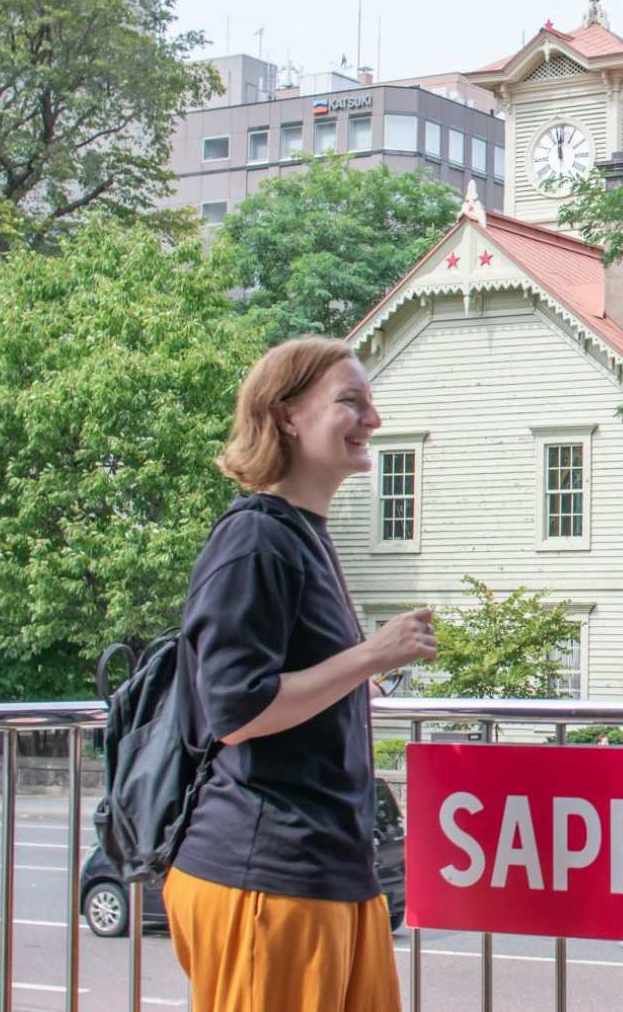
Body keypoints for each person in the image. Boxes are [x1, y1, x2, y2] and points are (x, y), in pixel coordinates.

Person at [163, 336, 438, 1012]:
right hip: (268, 879)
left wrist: (353, 675)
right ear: (286, 414)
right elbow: (235, 711)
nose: (372, 419)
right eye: (351, 402)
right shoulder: (254, 537)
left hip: (329, 874)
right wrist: (370, 656)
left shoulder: (302, 535)